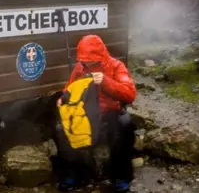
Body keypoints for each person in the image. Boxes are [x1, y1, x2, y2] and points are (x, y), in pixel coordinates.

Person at [53, 34, 137, 192]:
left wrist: (106, 82)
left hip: (109, 114)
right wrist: (62, 99)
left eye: (91, 61)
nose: (87, 65)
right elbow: (69, 89)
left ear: (100, 56)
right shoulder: (80, 68)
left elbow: (130, 93)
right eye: (85, 61)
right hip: (84, 115)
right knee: (61, 129)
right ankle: (74, 175)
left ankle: (121, 176)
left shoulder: (116, 66)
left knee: (124, 125)